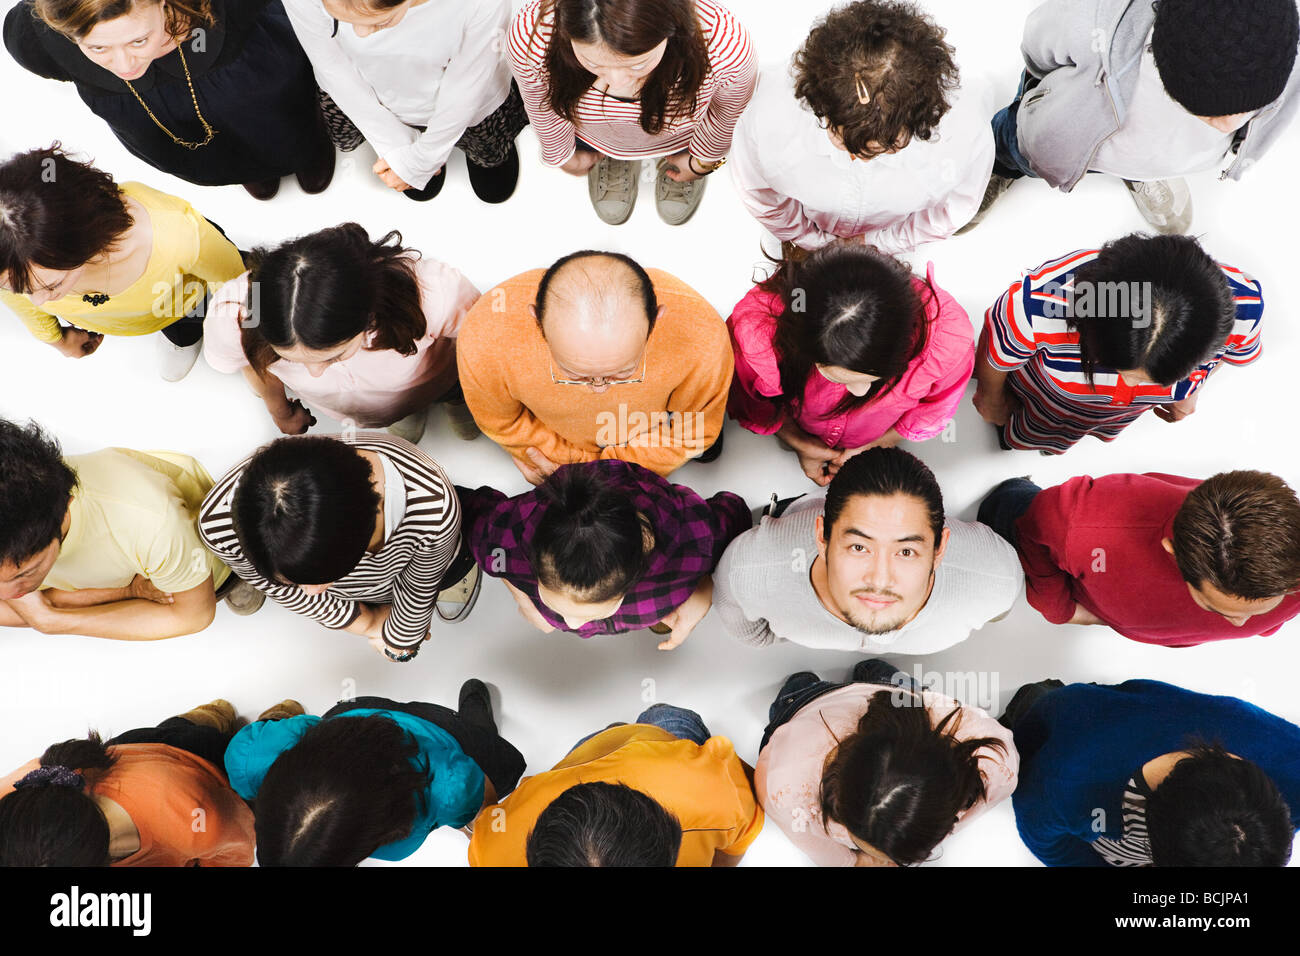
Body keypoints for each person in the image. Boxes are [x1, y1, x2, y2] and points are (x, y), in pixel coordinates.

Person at [964, 0, 1300, 235]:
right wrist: (1044, 93)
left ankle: (1142, 171)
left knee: (1152, 153)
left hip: (1165, 151)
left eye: (1249, 108)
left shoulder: (1284, 52)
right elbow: (1038, 48)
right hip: (1074, 125)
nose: (1232, 125)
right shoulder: (1096, 22)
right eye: (1213, 112)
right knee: (1018, 142)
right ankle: (1002, 164)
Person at [729, 0, 994, 252]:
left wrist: (880, 244)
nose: (860, 158)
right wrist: (808, 239)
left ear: (922, 120)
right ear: (819, 102)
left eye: (886, 147)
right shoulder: (768, 112)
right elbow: (759, 195)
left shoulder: (966, 128)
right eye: (842, 138)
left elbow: (954, 210)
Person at [4, 0, 336, 199]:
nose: (125, 66)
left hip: (254, 89)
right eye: (98, 48)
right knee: (222, 155)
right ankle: (248, 168)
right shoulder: (33, 38)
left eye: (138, 40)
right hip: (165, 124)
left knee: (277, 118)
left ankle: (304, 151)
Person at [713, 447, 1022, 655]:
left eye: (905, 552)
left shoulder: (994, 579)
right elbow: (751, 633)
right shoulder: (750, 572)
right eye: (859, 546)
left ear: (939, 549)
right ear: (822, 537)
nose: (880, 579)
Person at [198, 433, 477, 663]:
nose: (311, 593)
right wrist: (367, 623)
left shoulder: (434, 510)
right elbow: (283, 590)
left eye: (324, 578)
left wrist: (400, 637)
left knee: (448, 568)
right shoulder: (216, 524)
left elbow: (418, 587)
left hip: (415, 568)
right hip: (366, 580)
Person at [456, 250, 733, 481]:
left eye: (622, 372)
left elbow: (692, 431)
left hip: (649, 431)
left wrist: (595, 472)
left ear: (656, 319)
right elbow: (504, 423)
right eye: (576, 374)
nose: (599, 390)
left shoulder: (703, 336)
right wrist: (580, 464)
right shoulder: (484, 337)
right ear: (537, 320)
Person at [972, 233, 1262, 454]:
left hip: (1113, 416)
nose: (1134, 387)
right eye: (1123, 370)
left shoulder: (1245, 309)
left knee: (1075, 432)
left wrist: (1189, 392)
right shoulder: (1040, 304)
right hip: (1046, 398)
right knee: (1037, 426)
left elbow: (1227, 355)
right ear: (1091, 325)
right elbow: (999, 356)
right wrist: (991, 400)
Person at [203, 223, 480, 444]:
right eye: (289, 358)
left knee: (451, 392)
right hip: (350, 409)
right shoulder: (234, 315)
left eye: (333, 356)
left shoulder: (437, 292)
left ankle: (451, 400)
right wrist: (280, 411)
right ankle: (401, 415)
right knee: (396, 418)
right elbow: (251, 362)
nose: (314, 374)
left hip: (440, 381)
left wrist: (482, 398)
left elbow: (484, 344)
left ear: (369, 316)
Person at [727, 242, 974, 486]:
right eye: (838, 377)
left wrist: (878, 444)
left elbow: (933, 411)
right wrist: (800, 444)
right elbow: (753, 402)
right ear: (801, 343)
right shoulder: (756, 332)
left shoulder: (948, 341)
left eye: (872, 377)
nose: (860, 391)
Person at [0, 145, 245, 381]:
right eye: (17, 288)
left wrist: (243, 346)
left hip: (183, 302)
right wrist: (57, 340)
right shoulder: (15, 266)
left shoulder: (178, 241)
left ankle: (184, 336)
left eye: (52, 286)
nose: (38, 302)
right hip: (139, 317)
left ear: (86, 241)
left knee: (188, 317)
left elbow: (239, 290)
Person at [978, 469, 1300, 648]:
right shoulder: (1083, 527)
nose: (1240, 623)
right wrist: (1060, 610)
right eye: (1214, 607)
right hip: (1036, 534)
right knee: (1006, 511)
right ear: (1172, 550)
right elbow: (1037, 527)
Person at [0, 418, 257, 641]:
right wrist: (43, 611)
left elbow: (193, 616)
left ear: (66, 506)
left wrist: (55, 622)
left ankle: (235, 577)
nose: (6, 595)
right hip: (129, 568)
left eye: (24, 574)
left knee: (205, 577)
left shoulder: (152, 524)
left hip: (189, 551)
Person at [508, 0, 755, 225]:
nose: (616, 83)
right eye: (592, 63)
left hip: (682, 137)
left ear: (672, 28)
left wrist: (701, 160)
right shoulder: (532, 34)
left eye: (637, 63)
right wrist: (560, 153)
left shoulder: (724, 46)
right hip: (591, 133)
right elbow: (541, 102)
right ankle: (614, 154)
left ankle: (670, 157)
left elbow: (725, 115)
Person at [1004, 679, 1300, 866]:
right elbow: (1051, 844)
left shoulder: (1291, 759)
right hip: (1072, 720)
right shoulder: (1063, 784)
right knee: (1033, 718)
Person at [224, 681, 525, 865]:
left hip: (445, 737)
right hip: (358, 714)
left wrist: (467, 822)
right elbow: (300, 725)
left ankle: (479, 725)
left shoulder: (450, 787)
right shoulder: (249, 758)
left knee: (487, 752)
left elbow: (484, 806)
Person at [459, 459, 749, 649]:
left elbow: (732, 514)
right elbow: (482, 535)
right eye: (556, 606)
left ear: (637, 576)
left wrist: (705, 586)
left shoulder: (690, 538)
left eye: (590, 613)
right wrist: (523, 599)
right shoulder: (507, 533)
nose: (571, 625)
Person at [756, 658, 1017, 867]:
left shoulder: (992, 764)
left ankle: (872, 676)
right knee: (798, 690)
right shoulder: (788, 783)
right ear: (833, 796)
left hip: (895, 699)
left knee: (894, 687)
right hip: (811, 708)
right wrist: (852, 861)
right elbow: (807, 837)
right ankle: (812, 686)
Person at [282, 0, 526, 204]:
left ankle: (481, 157)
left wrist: (424, 159)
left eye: (381, 21)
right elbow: (330, 64)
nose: (361, 34)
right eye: (337, 21)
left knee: (484, 142)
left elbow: (467, 85)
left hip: (468, 99)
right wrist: (397, 149)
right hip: (368, 92)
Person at [468, 702, 762, 866]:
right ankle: (621, 731)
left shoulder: (494, 849)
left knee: (603, 741)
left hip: (581, 760)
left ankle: (613, 734)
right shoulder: (715, 789)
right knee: (668, 718)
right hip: (653, 747)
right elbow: (736, 840)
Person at [0, 699, 255, 866]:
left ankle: (259, 723)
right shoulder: (16, 804)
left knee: (244, 757)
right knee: (169, 730)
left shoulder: (193, 822)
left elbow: (234, 848)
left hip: (202, 764)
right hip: (129, 752)